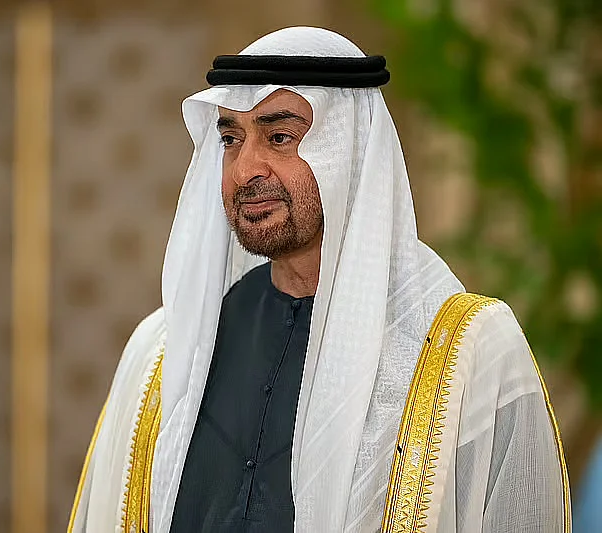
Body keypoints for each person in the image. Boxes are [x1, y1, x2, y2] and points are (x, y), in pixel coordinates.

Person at [67, 27, 570, 532]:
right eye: (231, 139)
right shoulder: (164, 353)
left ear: (349, 151)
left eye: (279, 138)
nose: (244, 170)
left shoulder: (467, 351)